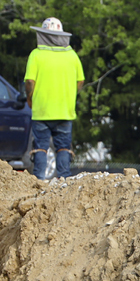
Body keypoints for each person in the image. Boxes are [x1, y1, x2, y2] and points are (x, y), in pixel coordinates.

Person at [24, 17, 85, 179]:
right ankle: (64, 181)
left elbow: (30, 82)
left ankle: (38, 181)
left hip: (41, 111)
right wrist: (70, 95)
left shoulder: (36, 55)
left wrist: (29, 98)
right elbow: (80, 81)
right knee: (63, 147)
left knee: (41, 148)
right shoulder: (72, 56)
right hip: (65, 111)